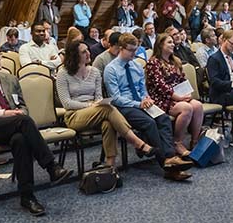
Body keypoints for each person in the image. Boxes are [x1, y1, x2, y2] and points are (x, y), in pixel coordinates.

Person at [0, 43, 72, 215]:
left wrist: (18, 113)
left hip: (14, 126)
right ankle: (51, 166)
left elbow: (23, 107)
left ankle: (27, 196)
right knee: (23, 122)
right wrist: (2, 113)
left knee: (21, 140)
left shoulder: (10, 79)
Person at [103, 33, 194, 181]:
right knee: (150, 123)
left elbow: (142, 88)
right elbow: (116, 98)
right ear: (121, 49)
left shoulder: (136, 66)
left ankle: (170, 158)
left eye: (135, 50)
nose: (134, 53)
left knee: (163, 118)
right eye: (131, 50)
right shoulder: (111, 69)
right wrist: (139, 103)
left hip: (141, 103)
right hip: (124, 107)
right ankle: (167, 163)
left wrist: (146, 98)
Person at [56, 40, 153, 169]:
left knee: (108, 123)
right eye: (84, 52)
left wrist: (96, 104)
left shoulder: (95, 72)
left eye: (88, 50)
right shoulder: (63, 73)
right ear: (74, 55)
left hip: (96, 111)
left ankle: (109, 165)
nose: (88, 53)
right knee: (107, 109)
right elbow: (66, 103)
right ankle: (138, 142)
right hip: (74, 115)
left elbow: (99, 97)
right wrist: (91, 106)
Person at [145, 33, 205, 157]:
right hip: (162, 99)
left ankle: (195, 141)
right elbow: (160, 86)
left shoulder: (175, 61)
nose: (173, 44)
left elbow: (182, 80)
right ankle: (177, 142)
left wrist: (187, 93)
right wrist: (178, 98)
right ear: (161, 45)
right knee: (187, 108)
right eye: (169, 42)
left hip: (179, 96)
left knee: (198, 105)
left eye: (173, 42)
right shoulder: (153, 63)